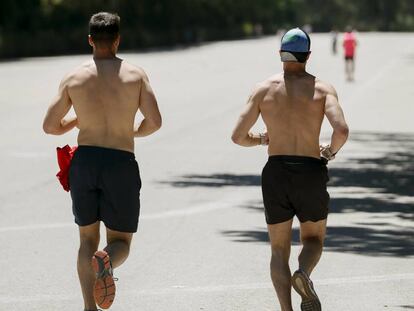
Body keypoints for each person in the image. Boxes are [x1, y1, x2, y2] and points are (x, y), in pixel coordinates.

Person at [43, 12, 162, 311]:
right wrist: (132, 130)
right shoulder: (135, 75)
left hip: (85, 162)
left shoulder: (74, 77)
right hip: (120, 161)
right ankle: (106, 260)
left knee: (86, 240)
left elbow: (50, 125)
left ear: (90, 40)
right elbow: (155, 121)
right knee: (120, 242)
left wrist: (77, 120)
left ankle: (89, 308)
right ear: (118, 40)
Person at [231, 28, 349, 311]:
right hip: (310, 170)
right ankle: (304, 273)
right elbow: (341, 130)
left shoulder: (263, 89)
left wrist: (261, 138)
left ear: (280, 55)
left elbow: (238, 136)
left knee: (278, 249)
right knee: (312, 240)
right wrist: (329, 152)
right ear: (308, 56)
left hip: (276, 172)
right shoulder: (322, 89)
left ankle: (286, 309)